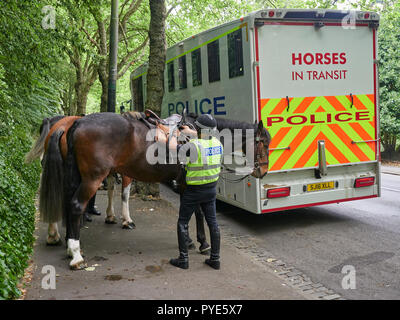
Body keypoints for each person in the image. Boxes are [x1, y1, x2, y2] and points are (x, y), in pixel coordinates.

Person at [156, 114, 223, 270]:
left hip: (193, 191)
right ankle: (215, 259)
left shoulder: (193, 146)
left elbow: (172, 148)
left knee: (183, 222)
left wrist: (172, 132)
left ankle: (183, 259)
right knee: (213, 223)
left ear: (198, 129)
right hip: (211, 190)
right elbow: (204, 139)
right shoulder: (217, 143)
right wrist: (193, 133)